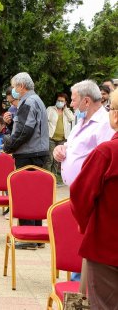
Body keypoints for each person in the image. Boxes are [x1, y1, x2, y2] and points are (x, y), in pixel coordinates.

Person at [69, 89, 118, 309]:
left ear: (115, 115)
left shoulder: (107, 153)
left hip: (107, 248)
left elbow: (80, 197)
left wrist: (86, 225)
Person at [3, 72, 49, 250]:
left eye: (14, 86)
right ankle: (37, 236)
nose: (13, 90)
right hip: (37, 151)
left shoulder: (28, 101)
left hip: (28, 153)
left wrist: (9, 146)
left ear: (21, 87)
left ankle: (28, 237)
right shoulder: (37, 100)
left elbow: (24, 131)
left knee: (26, 194)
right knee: (36, 195)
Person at [53, 80, 114, 186]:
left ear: (86, 101)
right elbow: (71, 146)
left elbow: (106, 164)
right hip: (77, 191)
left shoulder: (105, 124)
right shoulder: (81, 121)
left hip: (90, 193)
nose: (71, 105)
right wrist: (60, 149)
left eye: (73, 100)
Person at [44, 93, 75, 173]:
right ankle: (47, 176)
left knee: (57, 160)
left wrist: (65, 109)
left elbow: (72, 118)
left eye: (62, 101)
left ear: (65, 102)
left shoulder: (67, 111)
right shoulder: (50, 109)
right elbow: (45, 119)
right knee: (49, 159)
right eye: (58, 100)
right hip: (51, 138)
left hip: (62, 139)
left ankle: (53, 177)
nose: (60, 102)